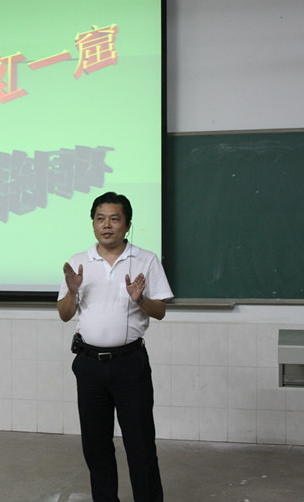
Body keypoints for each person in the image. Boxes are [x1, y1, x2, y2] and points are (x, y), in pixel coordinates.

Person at [57, 191, 173, 502]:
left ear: (127, 225)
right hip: (89, 365)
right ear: (93, 223)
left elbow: (160, 311)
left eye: (114, 219)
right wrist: (72, 292)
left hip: (129, 364)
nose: (106, 225)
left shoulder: (146, 259)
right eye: (100, 219)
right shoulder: (78, 263)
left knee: (140, 444)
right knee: (96, 446)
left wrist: (140, 299)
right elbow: (65, 314)